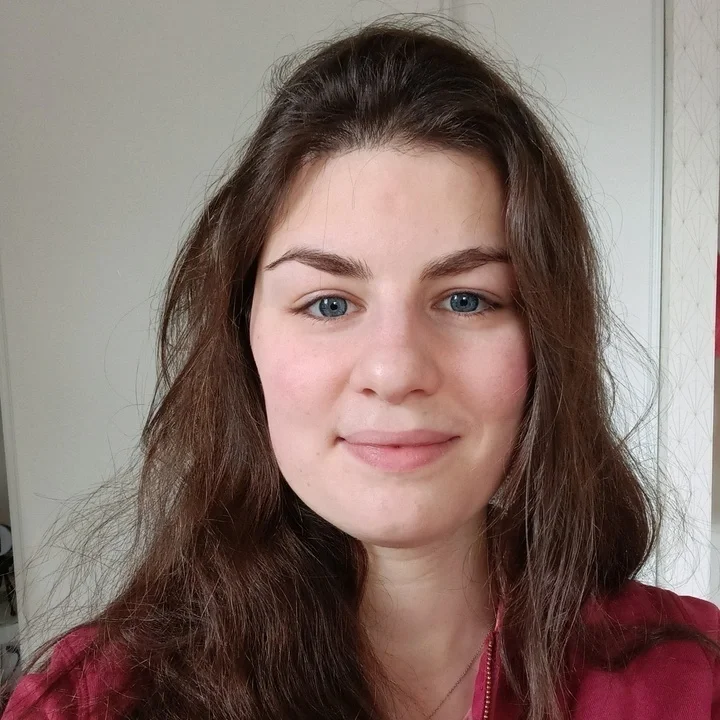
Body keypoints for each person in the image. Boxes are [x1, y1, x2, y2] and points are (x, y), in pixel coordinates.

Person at [2, 16, 720, 720]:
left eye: (466, 299)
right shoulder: (89, 705)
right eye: (328, 304)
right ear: (243, 337)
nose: (395, 369)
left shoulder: (697, 685)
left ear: (546, 340)